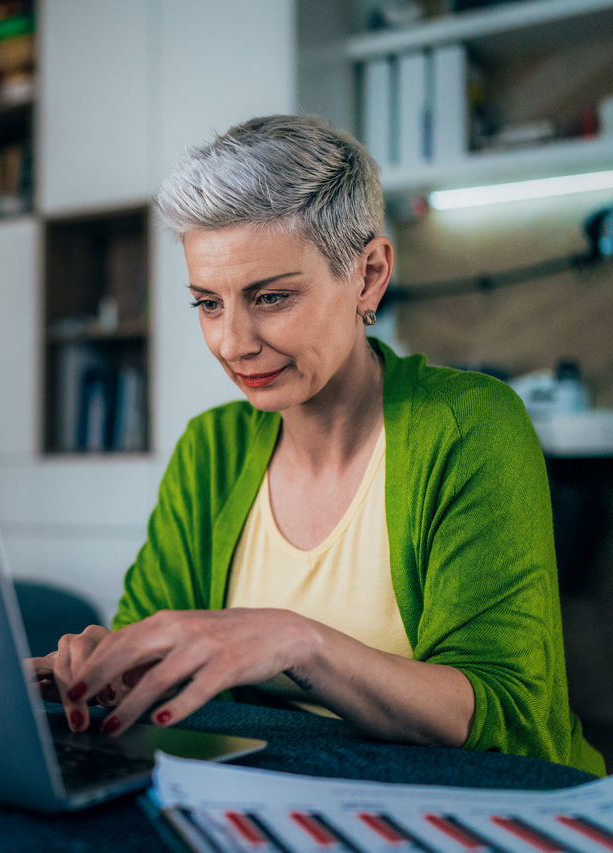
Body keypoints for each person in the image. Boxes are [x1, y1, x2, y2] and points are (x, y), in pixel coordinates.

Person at [33, 114, 605, 776]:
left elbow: (504, 713)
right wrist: (108, 664)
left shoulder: (470, 423)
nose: (233, 342)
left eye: (270, 297)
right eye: (207, 304)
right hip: (270, 788)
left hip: (478, 803)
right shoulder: (211, 449)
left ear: (368, 276)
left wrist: (297, 641)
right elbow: (153, 652)